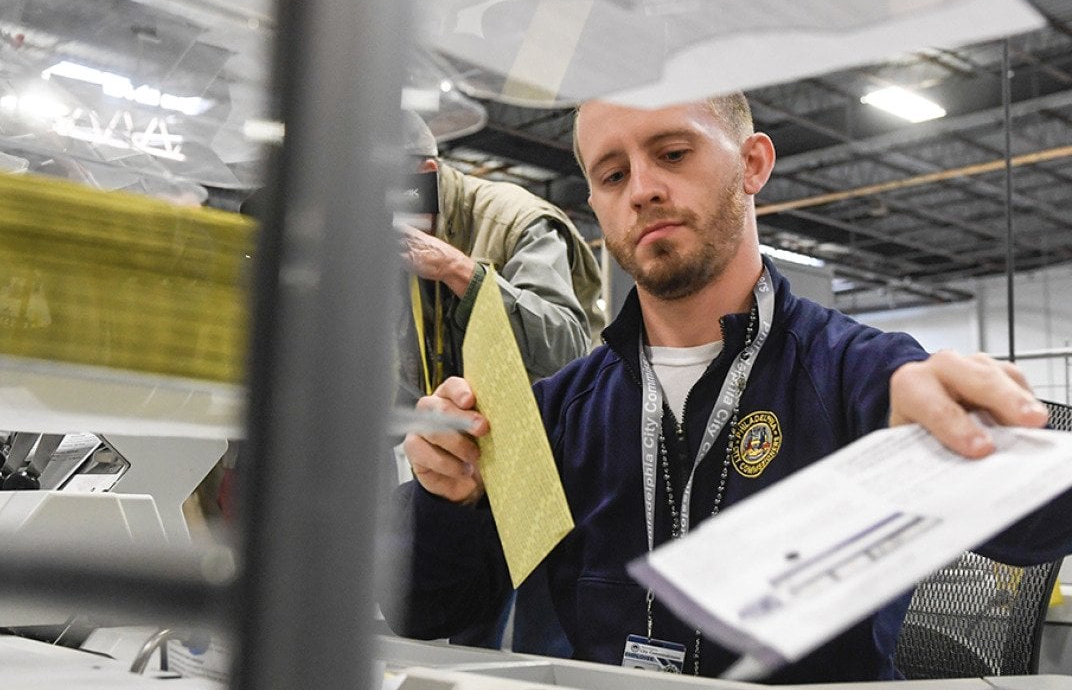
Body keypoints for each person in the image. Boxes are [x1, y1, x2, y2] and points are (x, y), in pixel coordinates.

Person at [383, 94, 1070, 683]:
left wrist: (982, 443)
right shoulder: (559, 410)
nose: (642, 189)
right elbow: (424, 610)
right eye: (613, 173)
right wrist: (448, 496)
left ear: (752, 164)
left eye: (673, 153)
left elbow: (1043, 528)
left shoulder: (862, 373)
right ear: (595, 204)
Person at [390, 111, 605, 650]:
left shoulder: (518, 220)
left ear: (424, 173)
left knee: (540, 636)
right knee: (452, 630)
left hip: (551, 468)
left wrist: (457, 270)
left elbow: (565, 344)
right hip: (460, 466)